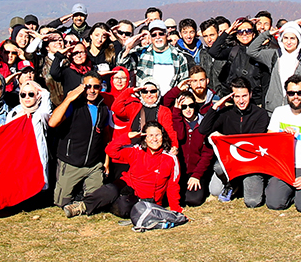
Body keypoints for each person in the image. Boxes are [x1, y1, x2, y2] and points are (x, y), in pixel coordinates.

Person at [65, 122, 183, 219]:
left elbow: (173, 186)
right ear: (145, 138)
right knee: (110, 190)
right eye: (150, 135)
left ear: (163, 137)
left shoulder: (170, 159)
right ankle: (81, 207)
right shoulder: (136, 151)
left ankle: (106, 204)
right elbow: (111, 150)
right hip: (127, 186)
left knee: (124, 207)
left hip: (146, 200)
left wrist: (175, 209)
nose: (154, 139)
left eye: (157, 135)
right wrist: (127, 136)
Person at [201, 77, 271, 201]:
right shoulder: (225, 113)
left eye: (244, 96)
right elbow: (203, 130)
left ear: (250, 94)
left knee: (252, 202)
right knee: (215, 188)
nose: (241, 100)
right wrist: (215, 107)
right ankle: (232, 184)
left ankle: (243, 182)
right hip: (229, 161)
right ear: (231, 97)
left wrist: (224, 138)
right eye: (237, 97)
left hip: (251, 163)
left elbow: (251, 141)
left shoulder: (261, 114)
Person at [47, 75, 112, 208]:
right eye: (88, 86)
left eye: (96, 87)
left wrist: (106, 162)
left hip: (93, 164)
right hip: (71, 162)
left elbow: (105, 137)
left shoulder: (103, 109)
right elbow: (53, 123)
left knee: (98, 201)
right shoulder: (73, 106)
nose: (92, 90)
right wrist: (69, 99)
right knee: (61, 203)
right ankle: (79, 196)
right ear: (82, 88)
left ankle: (81, 203)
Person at [262, 76, 301, 213]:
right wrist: (283, 136)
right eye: (291, 93)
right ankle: (290, 193)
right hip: (284, 167)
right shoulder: (279, 112)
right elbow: (269, 141)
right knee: (274, 203)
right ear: (286, 94)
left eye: (300, 93)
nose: (296, 97)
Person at [250, 22, 301, 111]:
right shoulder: (273, 55)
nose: (289, 42)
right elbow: (251, 51)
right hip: (273, 109)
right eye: (285, 38)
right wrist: (267, 34)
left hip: (295, 110)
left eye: (292, 38)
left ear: (298, 40)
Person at [123, 20, 192, 94]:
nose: (158, 37)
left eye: (161, 34)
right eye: (154, 35)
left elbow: (184, 82)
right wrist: (128, 49)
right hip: (147, 99)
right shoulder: (141, 54)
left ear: (167, 35)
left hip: (170, 100)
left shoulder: (179, 56)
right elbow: (123, 67)